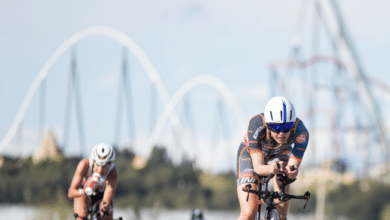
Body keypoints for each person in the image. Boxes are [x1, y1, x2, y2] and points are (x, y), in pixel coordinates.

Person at [236, 96, 309, 220]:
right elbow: (258, 168)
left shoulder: (301, 132)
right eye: (276, 127)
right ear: (268, 125)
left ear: (292, 126)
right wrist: (270, 168)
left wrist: (290, 172)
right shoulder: (257, 123)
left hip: (281, 151)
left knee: (283, 180)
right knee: (249, 212)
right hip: (250, 154)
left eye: (286, 128)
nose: (281, 133)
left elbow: (293, 166)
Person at [68, 143, 119, 220]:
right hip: (84, 193)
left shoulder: (113, 172)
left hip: (102, 194)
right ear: (94, 161)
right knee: (81, 214)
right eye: (98, 165)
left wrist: (104, 207)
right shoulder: (84, 165)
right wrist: (83, 192)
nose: (100, 170)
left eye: (104, 166)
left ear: (110, 163)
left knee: (106, 215)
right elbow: (71, 193)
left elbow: (106, 200)